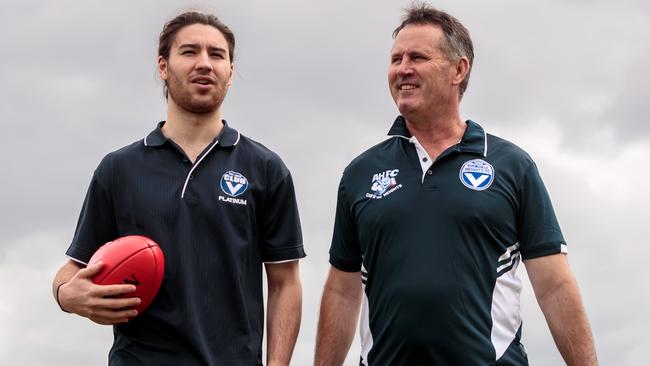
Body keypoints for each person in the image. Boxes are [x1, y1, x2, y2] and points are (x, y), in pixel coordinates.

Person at [315, 4, 597, 366]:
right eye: (396, 58)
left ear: (458, 70)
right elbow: (342, 291)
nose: (403, 69)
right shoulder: (360, 173)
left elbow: (554, 286)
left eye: (417, 57)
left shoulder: (511, 166)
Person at [52, 11, 305, 366]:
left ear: (230, 72)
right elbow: (71, 269)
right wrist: (66, 294)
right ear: (163, 66)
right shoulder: (119, 169)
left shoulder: (265, 169)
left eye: (217, 55)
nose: (204, 63)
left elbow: (284, 282)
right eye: (189, 52)